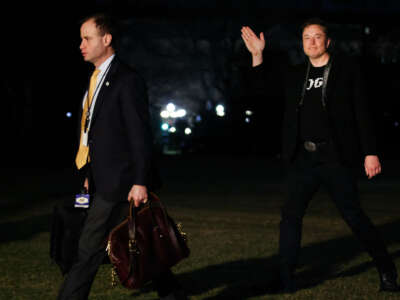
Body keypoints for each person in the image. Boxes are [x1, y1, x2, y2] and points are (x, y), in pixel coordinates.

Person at [241, 18, 399, 293]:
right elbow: (261, 95)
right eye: (306, 38)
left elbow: (362, 112)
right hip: (303, 159)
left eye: (317, 37)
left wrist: (370, 152)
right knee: (290, 217)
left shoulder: (346, 71)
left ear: (328, 42)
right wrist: (257, 55)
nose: (311, 42)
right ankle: (286, 278)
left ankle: (387, 270)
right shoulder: (295, 74)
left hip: (335, 157)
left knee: (354, 216)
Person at [57, 13, 187, 300]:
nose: (81, 44)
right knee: (143, 241)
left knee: (88, 249)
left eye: (87, 38)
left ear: (107, 39)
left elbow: (139, 134)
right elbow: (93, 134)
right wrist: (89, 175)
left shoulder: (126, 80)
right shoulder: (94, 80)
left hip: (122, 182)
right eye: (80, 38)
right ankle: (173, 294)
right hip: (101, 179)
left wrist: (140, 181)